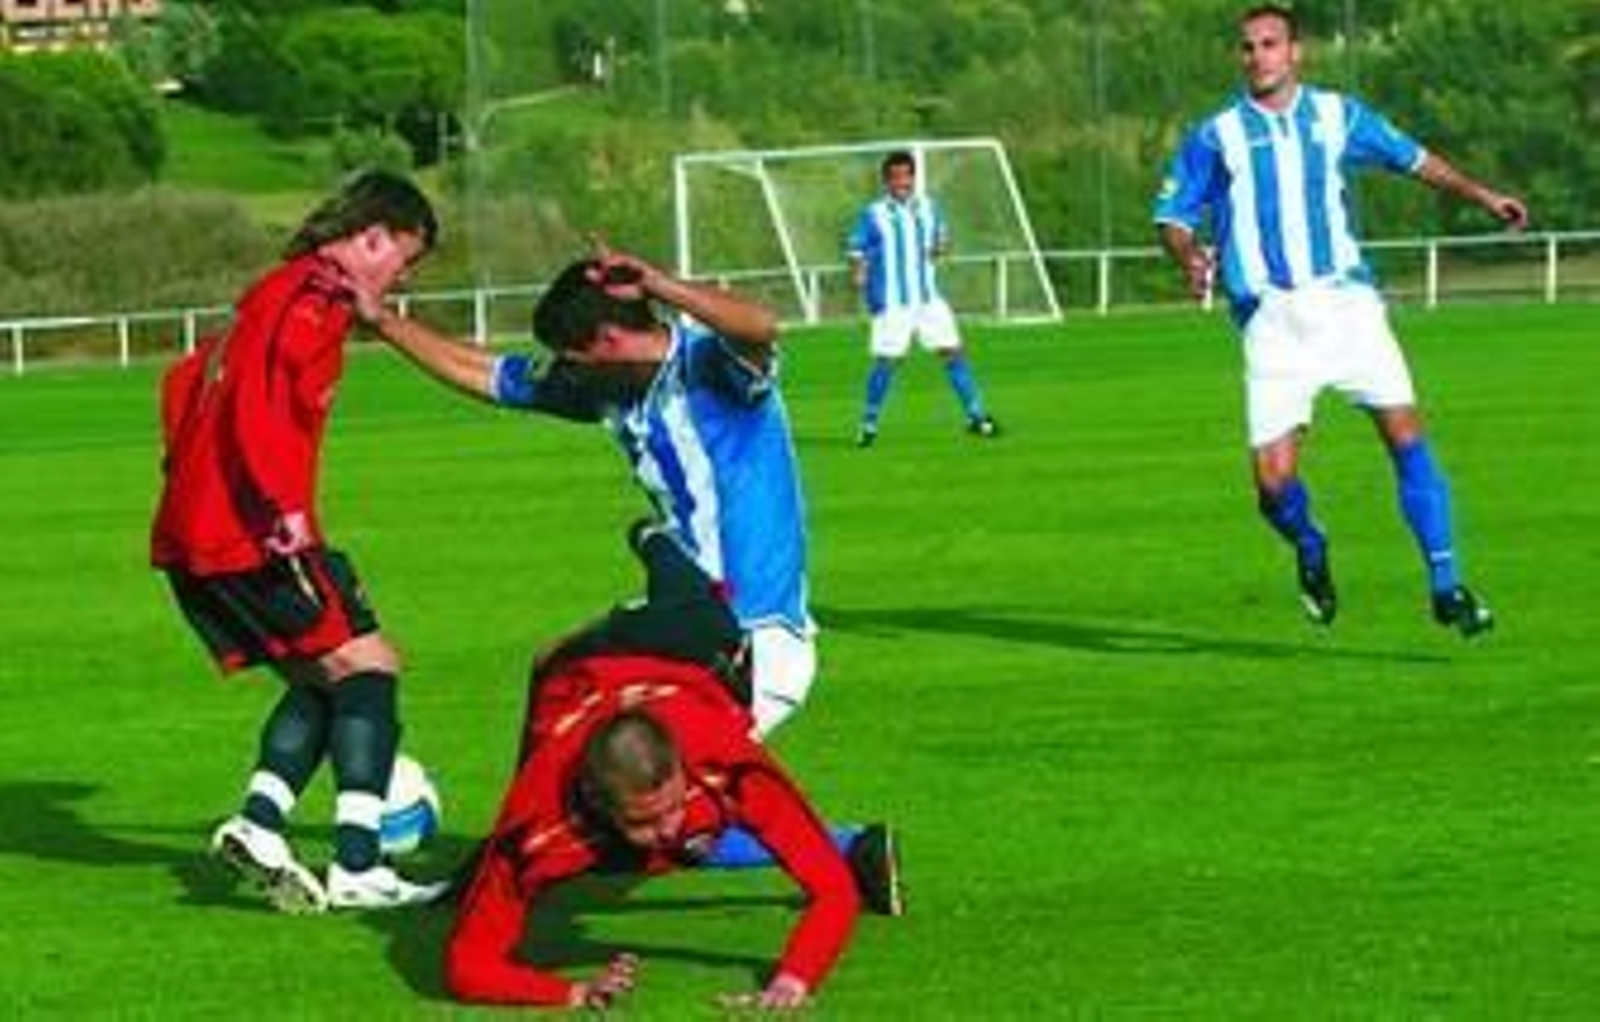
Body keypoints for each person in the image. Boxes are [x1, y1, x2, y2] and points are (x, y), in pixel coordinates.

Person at [1152, 3, 1527, 637]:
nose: (1258, 56)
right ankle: (1310, 545)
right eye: (1248, 47)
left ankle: (1447, 585)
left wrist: (1483, 194)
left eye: (1270, 44)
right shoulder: (1216, 136)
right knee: (1273, 487)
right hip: (1272, 320)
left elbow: (1414, 158)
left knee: (1406, 438)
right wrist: (1189, 256)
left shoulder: (1336, 116)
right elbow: (1173, 218)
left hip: (1348, 306)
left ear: (1296, 52)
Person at [356, 247, 819, 736]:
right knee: (558, 680)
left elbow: (762, 327)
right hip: (681, 623)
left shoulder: (711, 367)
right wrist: (383, 322)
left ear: (609, 339)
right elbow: (488, 375)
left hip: (753, 640)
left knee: (629, 774)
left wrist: (659, 284)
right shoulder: (610, 392)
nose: (566, 371)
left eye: (572, 359)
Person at [446, 522, 901, 1010]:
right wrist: (571, 991)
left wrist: (793, 980)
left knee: (695, 594)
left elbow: (833, 888)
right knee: (546, 667)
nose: (668, 826)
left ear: (682, 767)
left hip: (690, 648)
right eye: (644, 820)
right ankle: (487, 867)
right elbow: (466, 968)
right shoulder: (540, 819)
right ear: (597, 801)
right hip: (589, 664)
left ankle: (652, 537)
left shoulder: (728, 760)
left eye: (670, 806)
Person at [151, 169, 448, 912]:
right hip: (255, 532)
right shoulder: (312, 303)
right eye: (402, 259)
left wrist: (188, 481)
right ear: (370, 236)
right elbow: (257, 407)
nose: (401, 276)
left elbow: (181, 384)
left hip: (196, 533)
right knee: (367, 668)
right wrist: (283, 511)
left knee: (325, 675)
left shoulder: (270, 291)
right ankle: (358, 867)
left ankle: (260, 824)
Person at [846, 149, 1000, 448]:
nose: (902, 182)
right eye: (896, 177)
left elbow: (941, 241)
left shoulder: (929, 207)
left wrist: (941, 247)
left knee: (954, 352)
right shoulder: (874, 213)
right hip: (893, 302)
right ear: (886, 181)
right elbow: (856, 249)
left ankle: (976, 415)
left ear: (914, 177)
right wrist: (859, 272)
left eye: (907, 176)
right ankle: (868, 424)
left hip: (928, 299)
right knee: (889, 361)